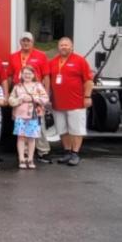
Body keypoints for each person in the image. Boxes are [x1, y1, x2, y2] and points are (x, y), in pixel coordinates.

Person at [47, 37, 94, 167]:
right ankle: (67, 152)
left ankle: (75, 153)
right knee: (62, 129)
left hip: (76, 102)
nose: (64, 47)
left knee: (76, 130)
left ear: (72, 47)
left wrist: (87, 97)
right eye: (61, 45)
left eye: (66, 45)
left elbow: (89, 81)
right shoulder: (53, 62)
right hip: (58, 103)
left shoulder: (80, 61)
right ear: (58, 47)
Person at [7, 31, 51, 165]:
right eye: (23, 41)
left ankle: (43, 151)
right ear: (20, 42)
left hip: (35, 96)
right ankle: (24, 154)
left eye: (28, 41)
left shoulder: (41, 55)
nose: (26, 43)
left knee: (39, 125)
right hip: (20, 94)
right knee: (22, 127)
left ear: (33, 42)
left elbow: (46, 76)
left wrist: (46, 95)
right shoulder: (13, 56)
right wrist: (9, 94)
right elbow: (9, 76)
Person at [10, 66, 49, 169]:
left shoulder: (38, 86)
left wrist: (32, 98)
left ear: (33, 75)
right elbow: (11, 100)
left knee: (32, 138)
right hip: (20, 116)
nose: (27, 75)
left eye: (29, 73)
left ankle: (30, 158)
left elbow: (45, 99)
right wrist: (20, 99)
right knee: (21, 137)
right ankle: (22, 158)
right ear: (21, 75)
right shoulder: (17, 86)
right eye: (25, 73)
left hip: (34, 116)